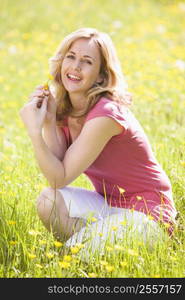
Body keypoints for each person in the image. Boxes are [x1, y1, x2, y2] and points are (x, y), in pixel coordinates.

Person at [19, 28, 177, 253]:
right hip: (108, 204)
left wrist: (34, 133)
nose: (75, 67)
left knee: (72, 258)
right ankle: (95, 246)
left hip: (147, 215)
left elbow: (59, 176)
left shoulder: (106, 114)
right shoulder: (67, 110)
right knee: (48, 200)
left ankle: (84, 250)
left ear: (101, 75)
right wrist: (49, 120)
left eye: (87, 61)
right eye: (71, 57)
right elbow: (57, 181)